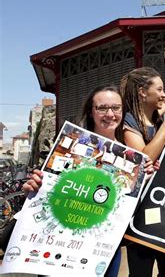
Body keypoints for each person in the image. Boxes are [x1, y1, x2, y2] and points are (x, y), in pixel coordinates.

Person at [23, 85, 153, 277]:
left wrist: (144, 179)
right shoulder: (70, 147)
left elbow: (128, 208)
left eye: (116, 108)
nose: (110, 114)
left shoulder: (131, 160)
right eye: (102, 108)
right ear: (92, 113)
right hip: (63, 245)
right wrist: (33, 189)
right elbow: (47, 194)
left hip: (104, 249)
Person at [120, 67, 165, 277]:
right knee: (141, 270)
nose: (163, 94)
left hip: (164, 206)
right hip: (139, 211)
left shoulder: (156, 113)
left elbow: (164, 102)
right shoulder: (130, 122)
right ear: (143, 92)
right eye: (159, 89)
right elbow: (144, 157)